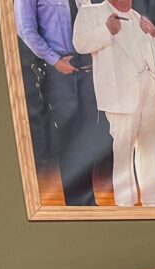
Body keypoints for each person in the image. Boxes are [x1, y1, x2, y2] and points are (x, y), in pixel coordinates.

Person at [74, 0, 155, 206]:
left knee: (149, 150)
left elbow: (150, 53)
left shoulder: (138, 17)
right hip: (121, 94)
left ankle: (151, 201)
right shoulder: (91, 12)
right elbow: (79, 44)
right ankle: (125, 204)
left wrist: (154, 34)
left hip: (152, 90)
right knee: (123, 151)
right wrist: (106, 30)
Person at [15, 0, 107, 205]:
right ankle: (76, 204)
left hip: (87, 67)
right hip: (58, 71)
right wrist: (54, 60)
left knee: (87, 136)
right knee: (69, 136)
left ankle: (89, 202)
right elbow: (25, 29)